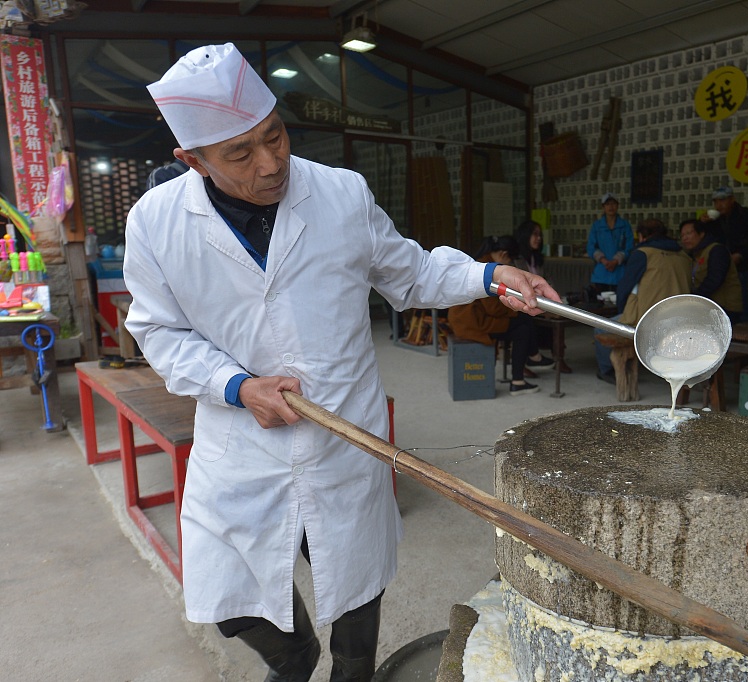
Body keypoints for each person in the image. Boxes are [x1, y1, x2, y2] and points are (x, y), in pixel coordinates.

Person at [122, 43, 556, 682]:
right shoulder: (156, 223)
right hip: (242, 447)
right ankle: (295, 657)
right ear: (193, 159)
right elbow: (159, 331)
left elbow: (411, 273)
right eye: (240, 153)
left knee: (356, 591)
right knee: (233, 595)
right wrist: (236, 386)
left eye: (275, 135)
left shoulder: (340, 192)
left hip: (344, 435)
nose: (271, 162)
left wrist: (489, 276)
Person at [448, 235, 554, 395]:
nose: (510, 265)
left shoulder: (481, 262)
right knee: (523, 328)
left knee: (523, 321)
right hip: (472, 322)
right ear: (504, 254)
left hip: (471, 318)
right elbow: (493, 309)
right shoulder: (489, 269)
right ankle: (523, 372)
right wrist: (516, 307)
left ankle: (531, 360)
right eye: (510, 260)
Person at [594, 218, 691, 384]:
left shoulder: (643, 253)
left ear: (641, 236)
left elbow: (625, 287)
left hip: (649, 320)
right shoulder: (684, 255)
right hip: (680, 320)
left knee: (600, 328)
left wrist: (623, 310)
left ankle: (608, 371)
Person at [513, 219, 571, 373]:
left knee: (557, 318)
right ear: (525, 236)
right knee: (529, 321)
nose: (538, 238)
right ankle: (527, 360)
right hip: (523, 305)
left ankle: (558, 358)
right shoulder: (516, 260)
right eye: (535, 234)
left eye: (540, 235)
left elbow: (548, 282)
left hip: (541, 303)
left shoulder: (538, 259)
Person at [701, 186, 748, 321]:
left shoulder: (746, 215)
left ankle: (743, 329)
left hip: (739, 267)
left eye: (722, 200)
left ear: (732, 200)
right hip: (718, 268)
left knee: (739, 305)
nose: (719, 205)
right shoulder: (715, 219)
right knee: (718, 304)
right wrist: (703, 224)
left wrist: (741, 255)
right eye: (716, 201)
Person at [679, 217, 743, 323]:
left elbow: (715, 279)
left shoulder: (716, 250)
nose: (685, 238)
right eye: (682, 235)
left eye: (689, 233)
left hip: (725, 307)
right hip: (710, 307)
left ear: (701, 234)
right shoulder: (694, 253)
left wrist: (694, 299)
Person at [586, 192, 633, 297]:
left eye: (613, 204)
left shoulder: (625, 225)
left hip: (620, 273)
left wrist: (616, 261)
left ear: (617, 206)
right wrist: (604, 260)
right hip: (601, 272)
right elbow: (591, 247)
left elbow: (630, 248)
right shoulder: (597, 226)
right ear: (603, 207)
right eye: (607, 204)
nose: (611, 207)